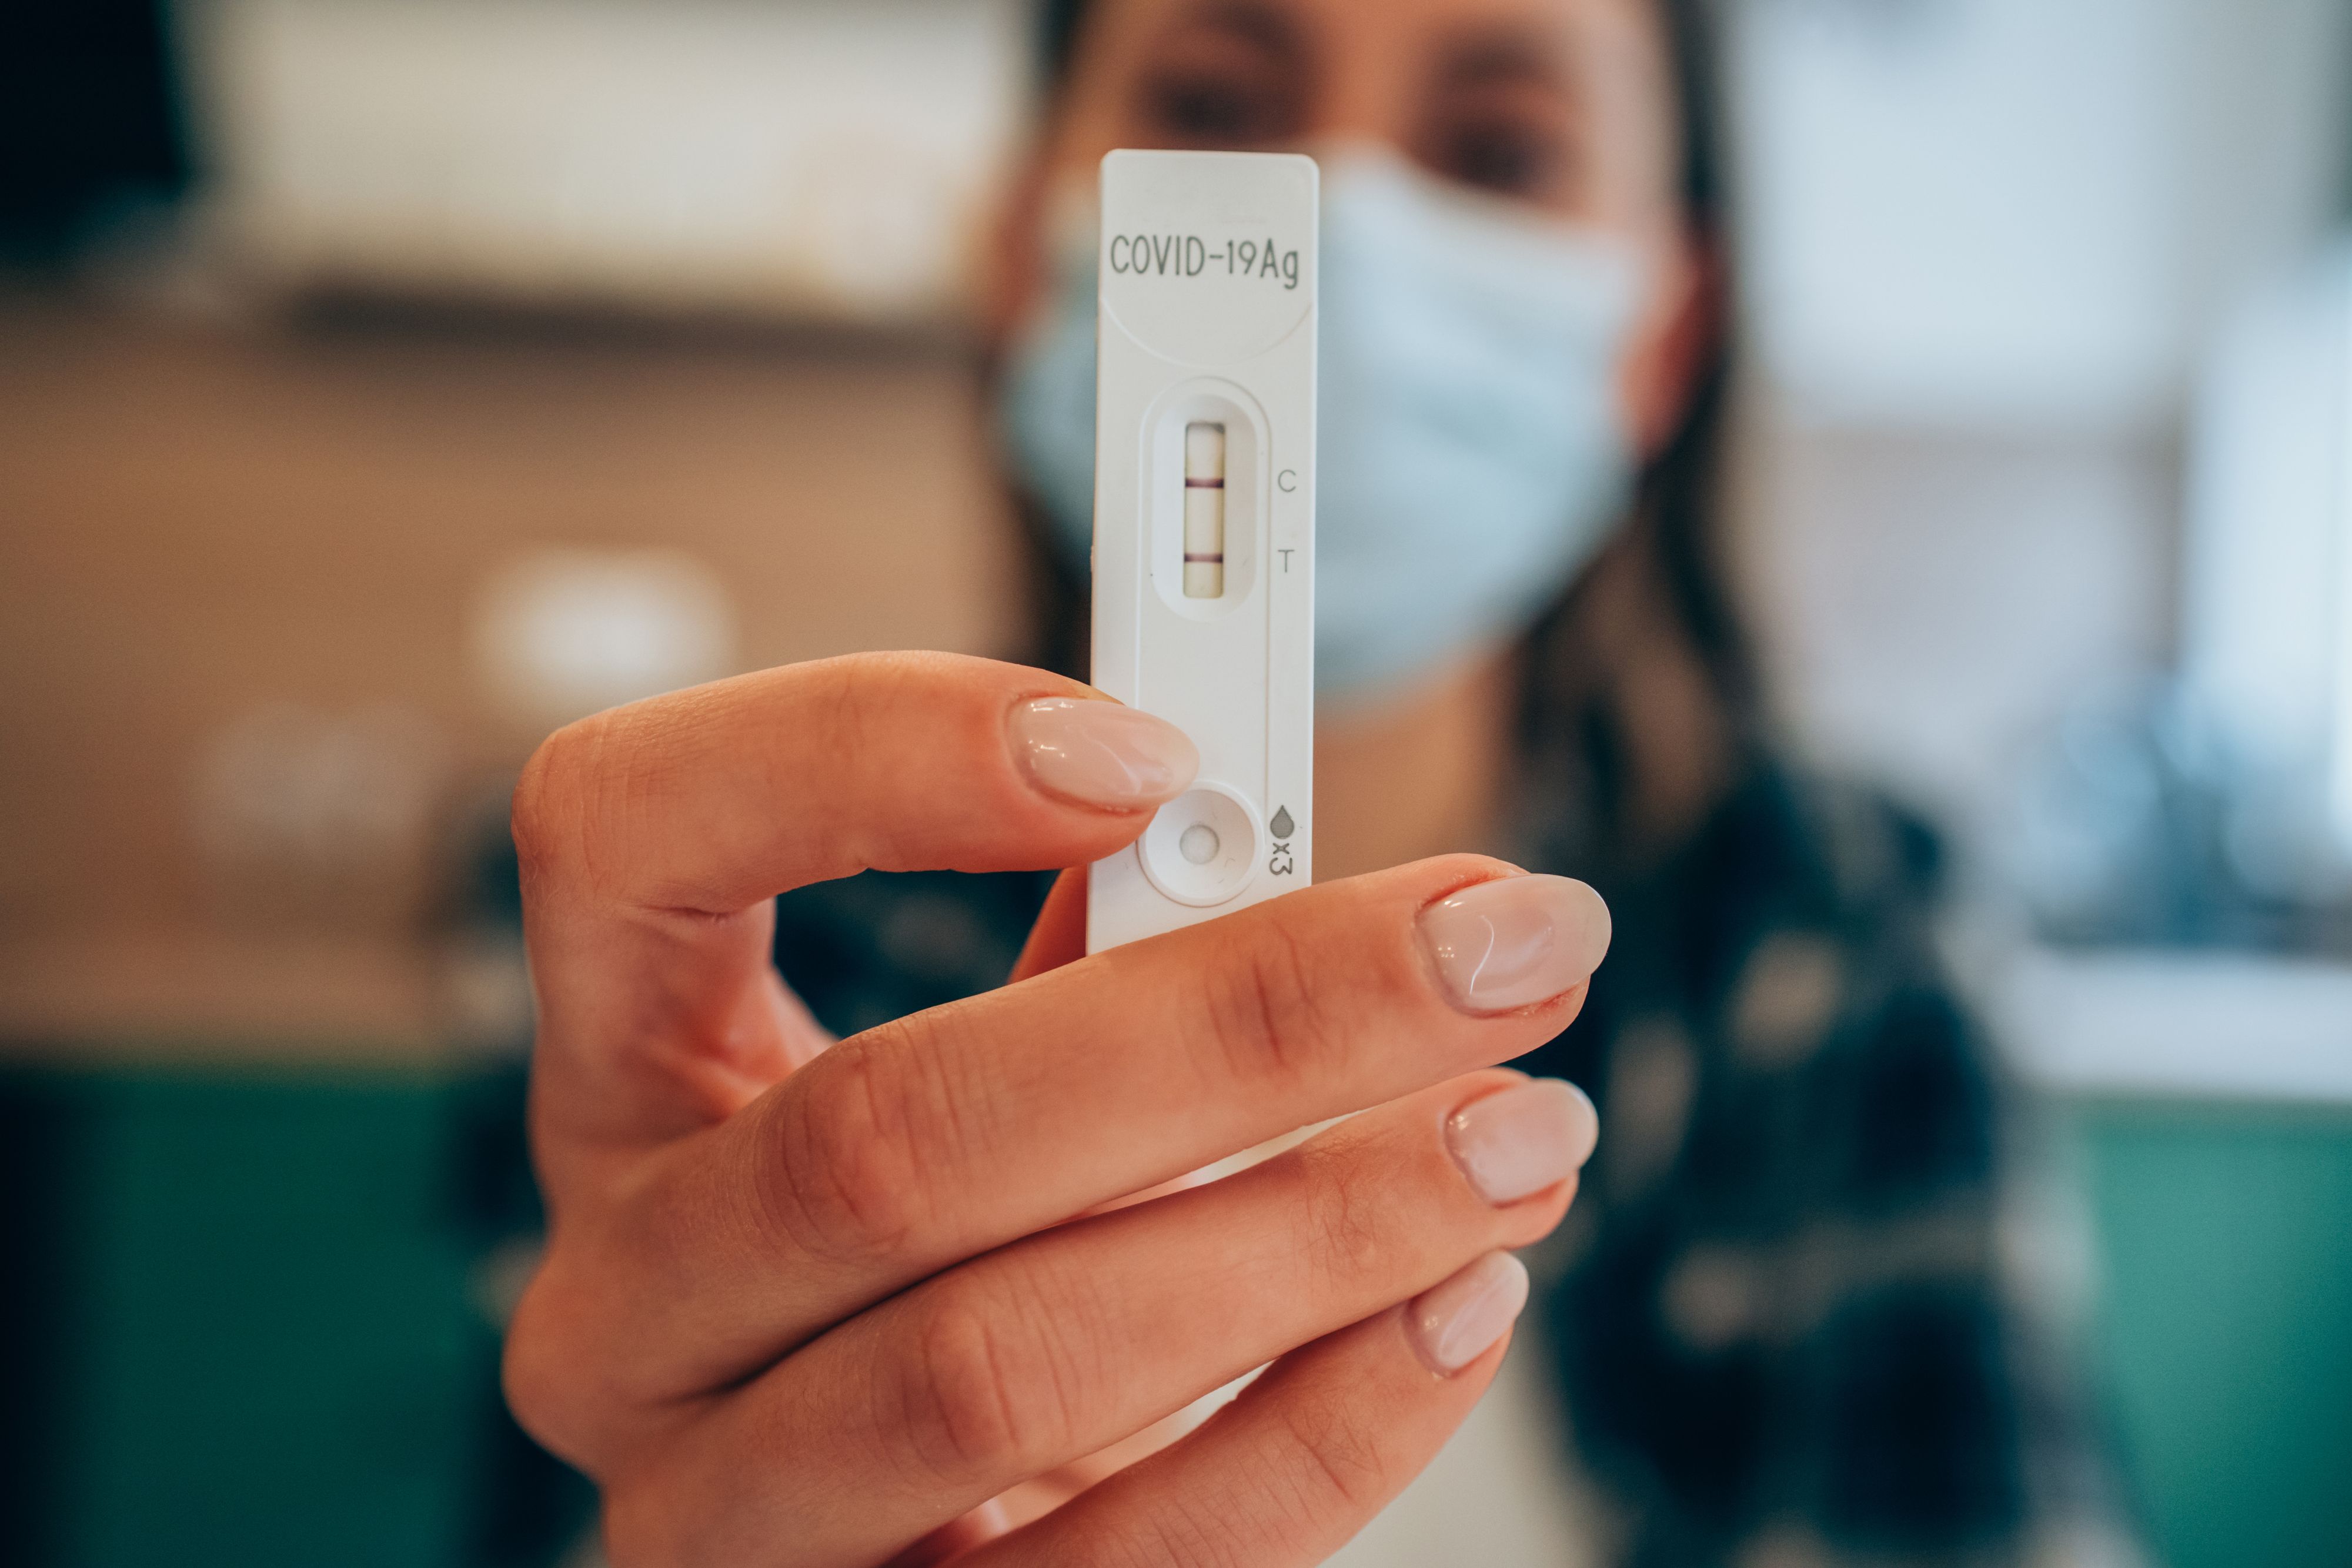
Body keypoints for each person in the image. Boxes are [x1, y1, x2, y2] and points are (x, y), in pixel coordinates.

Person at [502, 1, 2127, 1563]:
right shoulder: (755, 945)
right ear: (1020, 248)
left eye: (1500, 147)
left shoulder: (1832, 931)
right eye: (1211, 112)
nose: (1336, 218)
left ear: (1663, 333)